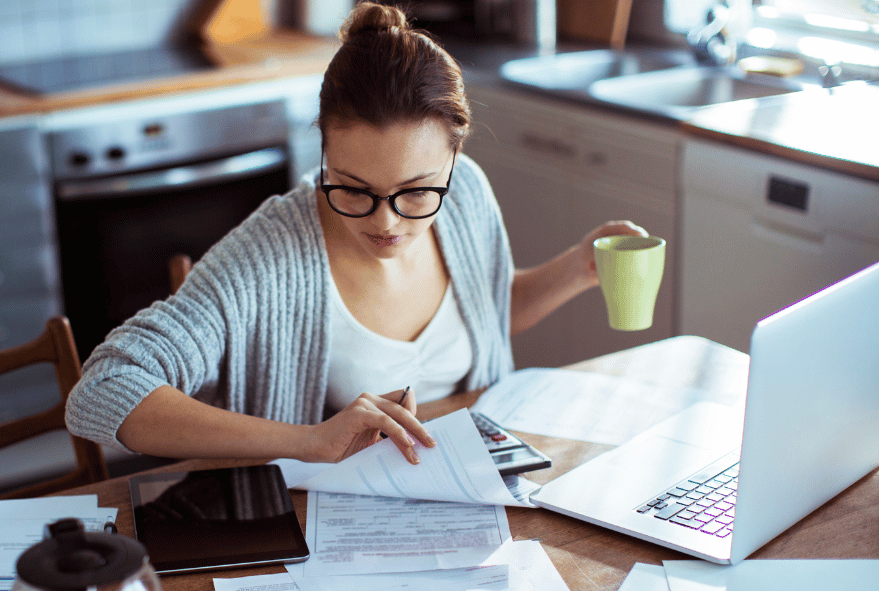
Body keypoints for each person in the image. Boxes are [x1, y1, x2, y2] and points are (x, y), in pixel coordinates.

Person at [65, 2, 646, 466]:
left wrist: (577, 268)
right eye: (353, 187)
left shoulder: (465, 193)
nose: (385, 221)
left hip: (467, 490)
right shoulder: (269, 257)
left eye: (417, 191)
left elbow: (488, 308)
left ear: (454, 157)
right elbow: (102, 392)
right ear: (323, 148)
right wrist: (308, 441)